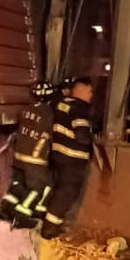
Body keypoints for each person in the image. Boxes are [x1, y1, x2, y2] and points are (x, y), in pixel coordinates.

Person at [0, 81, 56, 228]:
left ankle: (6, 207)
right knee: (37, 188)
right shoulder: (49, 114)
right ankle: (22, 214)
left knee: (18, 184)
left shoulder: (25, 110)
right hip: (35, 159)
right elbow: (46, 136)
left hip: (19, 156)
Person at [41, 76, 94, 239]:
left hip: (58, 155)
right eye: (90, 91)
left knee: (59, 191)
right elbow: (82, 136)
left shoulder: (61, 104)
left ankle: (51, 225)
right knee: (67, 194)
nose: (91, 95)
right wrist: (92, 137)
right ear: (82, 89)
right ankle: (50, 229)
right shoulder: (79, 109)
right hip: (73, 158)